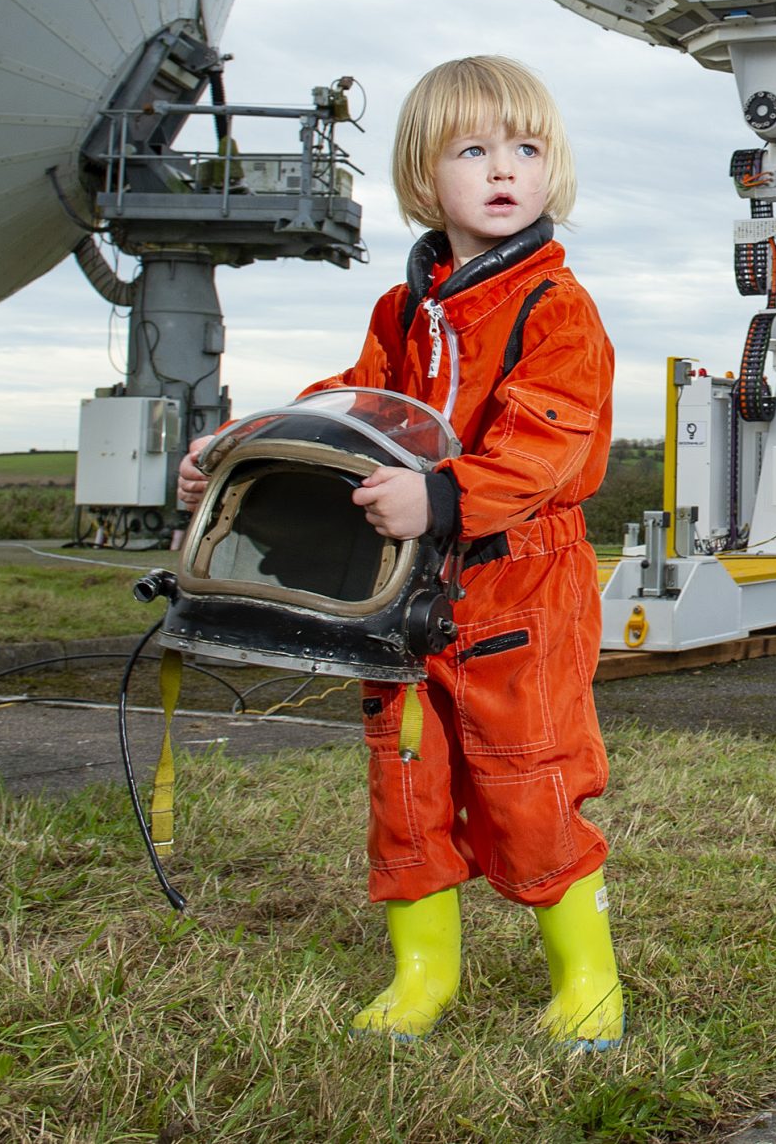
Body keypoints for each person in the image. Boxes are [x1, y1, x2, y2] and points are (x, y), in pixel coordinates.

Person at [179, 55, 622, 1046]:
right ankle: (424, 974)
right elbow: (350, 406)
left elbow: (547, 445)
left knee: (528, 775)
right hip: (412, 588)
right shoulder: (402, 312)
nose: (504, 168)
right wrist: (243, 445)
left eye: (526, 148)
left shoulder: (556, 311)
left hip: (518, 583)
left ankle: (585, 977)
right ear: (427, 178)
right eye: (474, 149)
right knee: (410, 779)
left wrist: (444, 493)